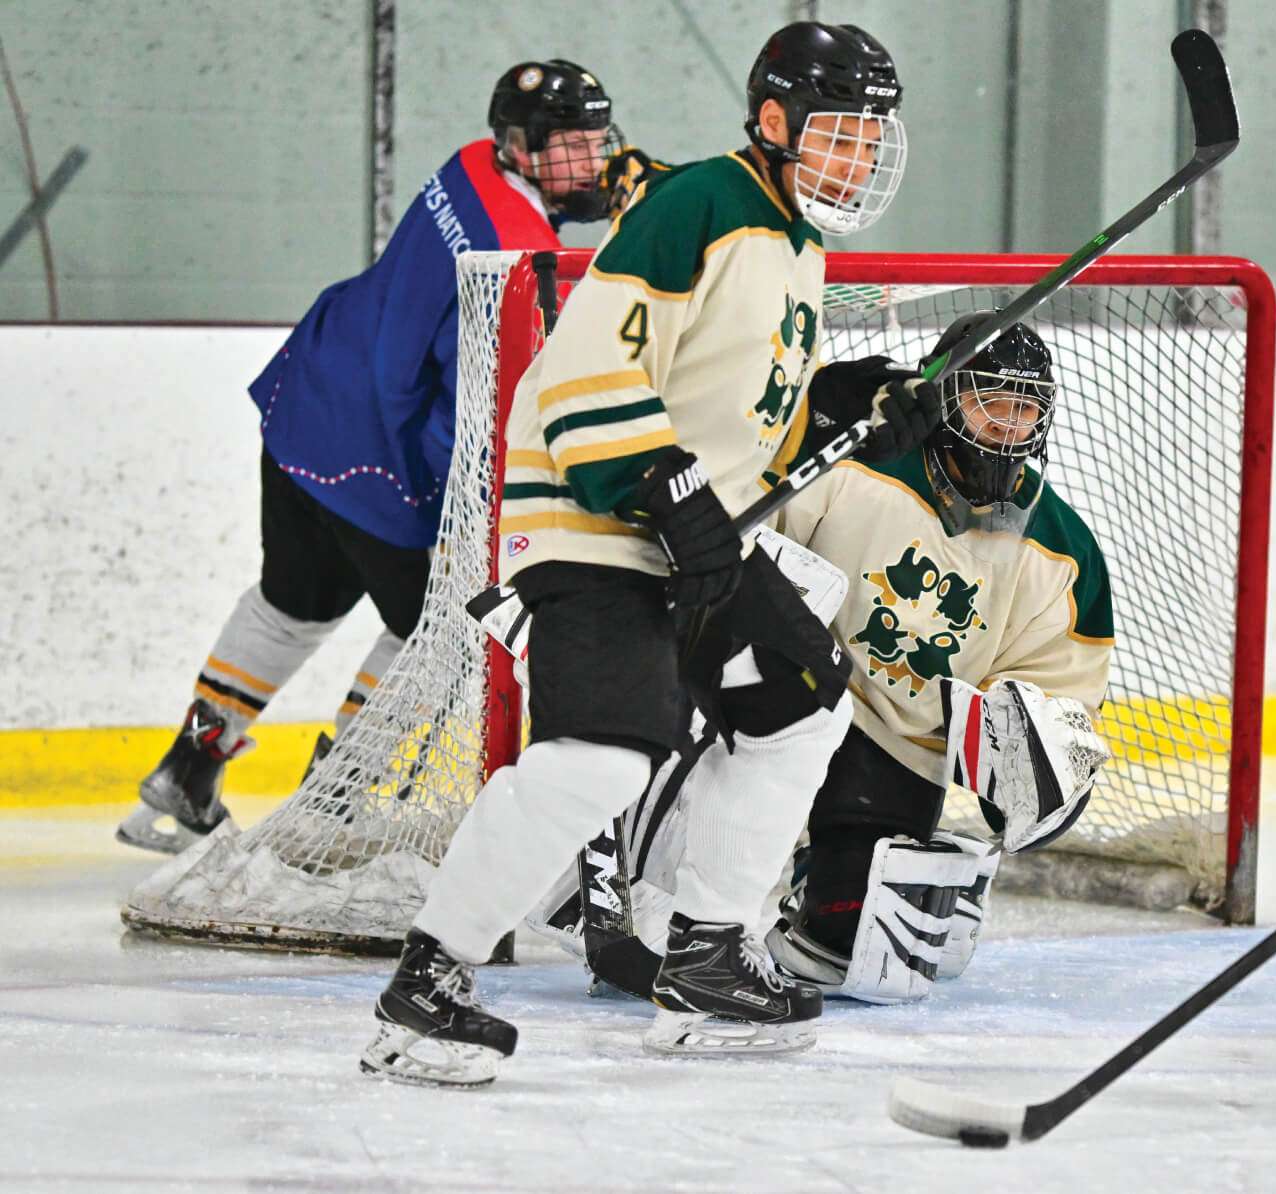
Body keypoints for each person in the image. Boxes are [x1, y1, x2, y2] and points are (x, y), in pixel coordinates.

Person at [360, 21, 941, 1088]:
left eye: (871, 139)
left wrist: (844, 402)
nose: (857, 159)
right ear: (772, 123)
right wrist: (676, 502)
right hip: (596, 526)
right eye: (838, 134)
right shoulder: (700, 205)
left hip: (683, 535)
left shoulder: (799, 246)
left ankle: (709, 957)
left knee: (803, 702)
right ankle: (427, 983)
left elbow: (733, 410)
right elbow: (586, 376)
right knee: (604, 755)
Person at [523, 313, 1115, 1008]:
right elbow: (742, 549)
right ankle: (632, 879)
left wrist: (1029, 756)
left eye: (1025, 409)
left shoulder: (1063, 548)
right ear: (947, 396)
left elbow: (1056, 692)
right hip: (797, 683)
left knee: (849, 952)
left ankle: (811, 885)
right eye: (990, 402)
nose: (1009, 425)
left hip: (895, 746)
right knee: (690, 734)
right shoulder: (854, 465)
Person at [118, 59, 631, 855]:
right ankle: (334, 803)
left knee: (293, 605)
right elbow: (475, 404)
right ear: (521, 148)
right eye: (571, 145)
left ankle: (189, 768)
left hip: (309, 406)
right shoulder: (516, 253)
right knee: (434, 632)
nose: (591, 161)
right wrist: (471, 514)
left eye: (596, 140)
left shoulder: (469, 163)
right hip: (377, 459)